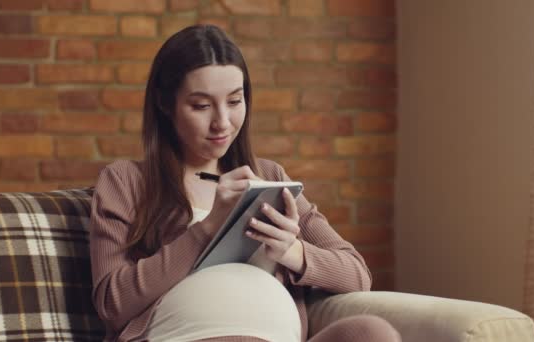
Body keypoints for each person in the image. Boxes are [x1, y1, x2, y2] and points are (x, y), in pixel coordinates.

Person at [89, 24, 401, 342]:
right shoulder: (127, 181)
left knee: (371, 332)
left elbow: (357, 275)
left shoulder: (269, 178)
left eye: (235, 101)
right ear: (165, 103)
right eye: (201, 106)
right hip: (185, 336)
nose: (222, 122)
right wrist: (207, 229)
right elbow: (112, 304)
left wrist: (290, 250)